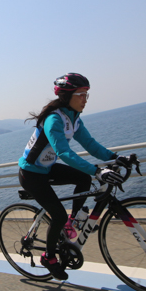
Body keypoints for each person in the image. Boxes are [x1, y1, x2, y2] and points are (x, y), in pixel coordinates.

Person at [18, 73, 124, 280]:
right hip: (31, 174)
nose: (85, 99)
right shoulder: (54, 119)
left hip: (46, 168)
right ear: (67, 96)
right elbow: (64, 153)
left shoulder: (73, 118)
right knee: (58, 214)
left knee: (83, 179)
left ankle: (72, 222)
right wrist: (98, 170)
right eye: (81, 94)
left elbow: (90, 145)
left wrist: (116, 158)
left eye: (87, 95)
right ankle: (48, 258)